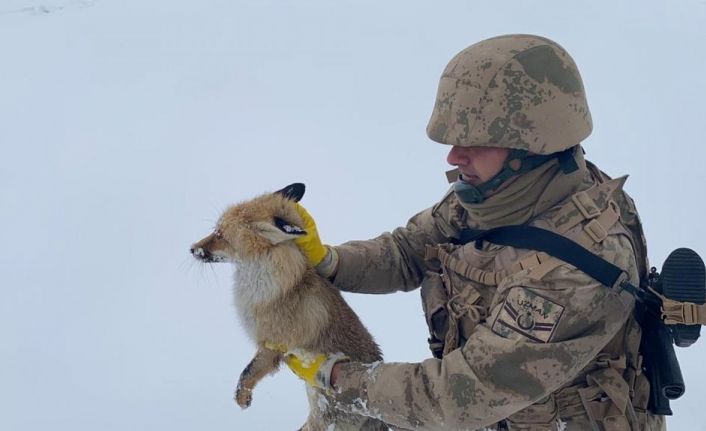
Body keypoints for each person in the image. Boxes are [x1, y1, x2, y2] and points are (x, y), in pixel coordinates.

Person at [284, 34, 665, 431]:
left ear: (531, 146)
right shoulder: (497, 194)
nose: (453, 156)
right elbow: (406, 250)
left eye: (475, 141)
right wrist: (327, 261)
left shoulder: (575, 272)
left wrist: (338, 377)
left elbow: (457, 395)